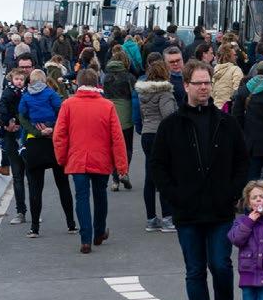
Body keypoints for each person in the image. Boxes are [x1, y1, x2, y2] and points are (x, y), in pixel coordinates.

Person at [150, 59, 249, 300]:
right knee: (194, 271)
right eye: (199, 83)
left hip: (220, 209)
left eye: (208, 83)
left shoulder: (226, 123)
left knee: (220, 264)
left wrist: (232, 193)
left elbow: (243, 161)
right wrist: (174, 195)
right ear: (187, 86)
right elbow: (158, 166)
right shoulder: (171, 126)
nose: (205, 88)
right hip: (187, 211)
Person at [53, 69, 128, 253]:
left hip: (77, 159)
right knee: (100, 196)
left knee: (81, 198)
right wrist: (121, 165)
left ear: (78, 83)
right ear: (97, 84)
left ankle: (85, 238)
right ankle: (99, 232)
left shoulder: (68, 105)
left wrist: (62, 158)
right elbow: (117, 137)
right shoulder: (107, 106)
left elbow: (59, 135)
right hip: (101, 159)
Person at [18, 70, 76, 237]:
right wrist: (52, 128)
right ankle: (71, 224)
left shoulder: (26, 96)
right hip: (53, 143)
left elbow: (22, 117)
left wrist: (36, 132)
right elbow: (62, 114)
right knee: (63, 185)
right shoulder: (51, 94)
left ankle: (34, 228)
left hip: (34, 144)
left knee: (35, 188)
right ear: (44, 81)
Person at [232, 60, 263, 209]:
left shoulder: (243, 90)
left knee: (252, 175)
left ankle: (250, 204)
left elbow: (237, 116)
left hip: (251, 141)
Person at [135, 60, 178, 233]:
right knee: (165, 175)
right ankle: (168, 218)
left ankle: (151, 219)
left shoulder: (143, 93)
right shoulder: (165, 92)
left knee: (150, 177)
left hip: (147, 134)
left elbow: (143, 115)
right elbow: (168, 115)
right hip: (161, 136)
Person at [0, 66, 29, 224]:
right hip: (11, 134)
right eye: (17, 79)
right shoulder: (8, 92)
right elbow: (0, 111)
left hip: (26, 135)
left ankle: (33, 211)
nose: (19, 82)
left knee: (31, 176)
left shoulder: (29, 91)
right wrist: (7, 123)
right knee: (17, 175)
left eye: (22, 79)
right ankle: (20, 211)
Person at [102, 48, 139, 191]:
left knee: (112, 147)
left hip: (109, 112)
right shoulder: (128, 77)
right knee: (126, 147)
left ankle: (115, 180)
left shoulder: (106, 76)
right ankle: (124, 172)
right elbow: (135, 94)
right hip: (126, 113)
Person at [211, 43, 244, 112]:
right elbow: (237, 90)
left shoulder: (215, 70)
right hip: (228, 107)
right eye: (234, 55)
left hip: (215, 107)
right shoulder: (235, 70)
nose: (236, 57)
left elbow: (212, 91)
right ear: (228, 57)